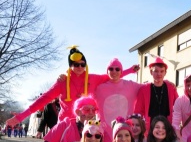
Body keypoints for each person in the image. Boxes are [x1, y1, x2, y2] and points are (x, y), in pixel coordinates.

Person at [6, 46, 138, 127]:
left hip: (88, 125)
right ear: (70, 66)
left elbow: (112, 75)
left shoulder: (93, 78)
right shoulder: (62, 82)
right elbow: (44, 99)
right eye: (75, 64)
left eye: (82, 64)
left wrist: (130, 70)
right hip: (66, 125)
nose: (79, 67)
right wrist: (21, 116)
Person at [94, 58, 141, 142]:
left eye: (117, 69)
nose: (114, 71)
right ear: (107, 71)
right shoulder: (99, 88)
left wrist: (167, 83)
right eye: (111, 69)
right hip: (105, 134)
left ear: (121, 71)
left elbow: (148, 88)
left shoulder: (131, 85)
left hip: (125, 134)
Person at [134, 57, 179, 133]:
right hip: (149, 130)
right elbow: (138, 112)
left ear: (165, 72)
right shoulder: (143, 89)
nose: (159, 74)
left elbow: (178, 106)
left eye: (162, 71)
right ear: (151, 72)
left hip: (167, 129)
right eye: (156, 71)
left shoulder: (171, 88)